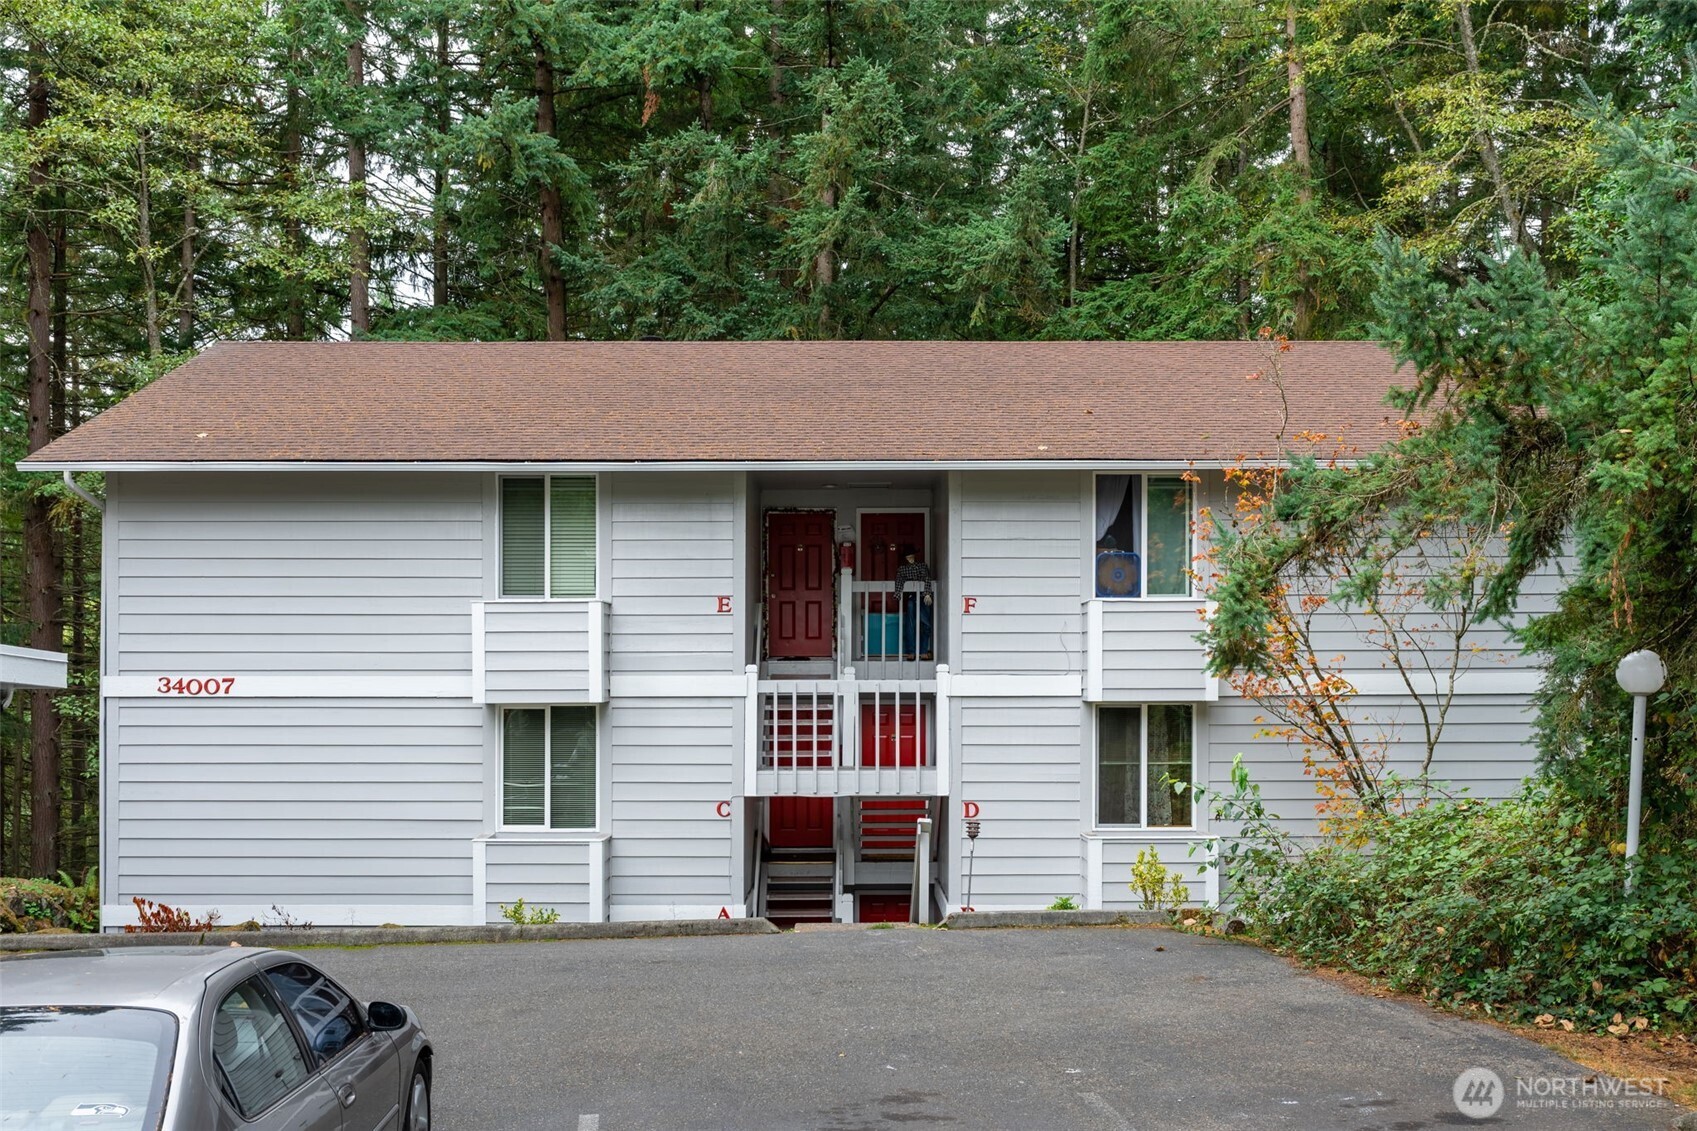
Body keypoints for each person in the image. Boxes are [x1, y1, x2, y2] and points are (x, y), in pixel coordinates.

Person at [892, 544, 935, 660]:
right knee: (910, 624)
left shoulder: (922, 566)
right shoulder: (902, 569)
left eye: (912, 556)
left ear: (915, 556)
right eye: (908, 557)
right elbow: (899, 581)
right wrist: (897, 594)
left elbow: (926, 578)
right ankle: (911, 651)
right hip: (912, 597)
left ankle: (923, 651)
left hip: (923, 596)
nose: (910, 558)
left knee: (925, 623)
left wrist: (927, 593)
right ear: (905, 558)